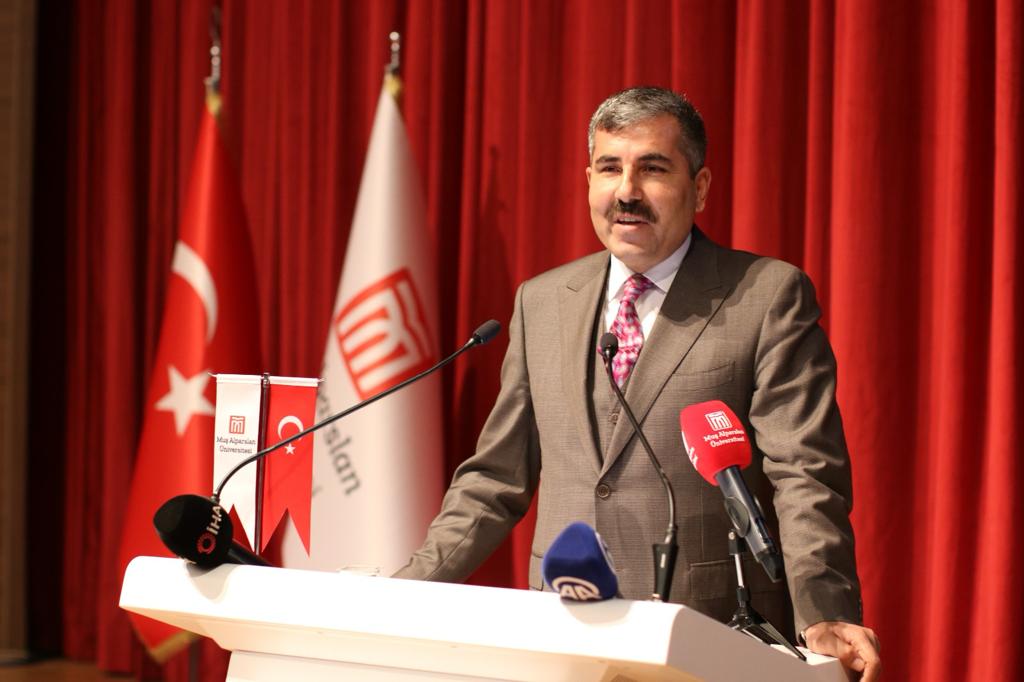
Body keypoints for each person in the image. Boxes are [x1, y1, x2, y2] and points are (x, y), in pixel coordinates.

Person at [394, 86, 881, 680]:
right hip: (562, 635)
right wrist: (402, 592)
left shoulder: (766, 296)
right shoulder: (541, 302)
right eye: (609, 168)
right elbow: (495, 479)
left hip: (707, 635)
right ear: (588, 181)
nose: (626, 191)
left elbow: (803, 472)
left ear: (700, 187)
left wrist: (825, 612)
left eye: (652, 168)